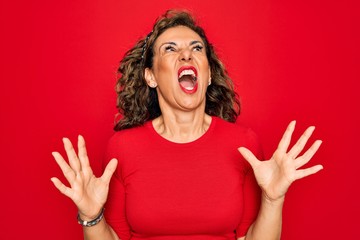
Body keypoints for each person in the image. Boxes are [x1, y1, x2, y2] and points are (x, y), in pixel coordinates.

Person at [51, 10, 323, 240]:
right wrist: (92, 216)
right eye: (170, 49)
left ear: (207, 75)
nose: (186, 55)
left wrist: (273, 200)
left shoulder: (244, 145)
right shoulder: (123, 148)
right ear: (151, 76)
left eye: (196, 49)